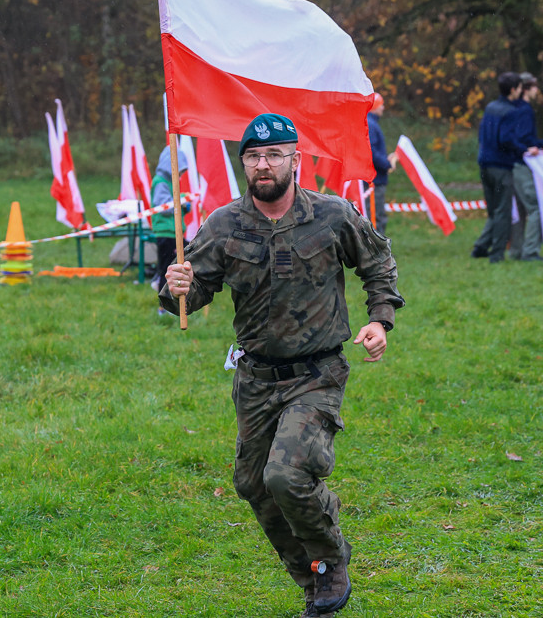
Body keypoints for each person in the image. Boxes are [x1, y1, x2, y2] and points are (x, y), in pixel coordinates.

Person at [159, 113, 404, 618]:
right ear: (244, 163)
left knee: (286, 477)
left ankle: (331, 559)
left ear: (296, 159)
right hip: (255, 377)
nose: (263, 165)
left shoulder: (333, 215)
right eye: (253, 157)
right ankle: (311, 573)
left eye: (274, 155)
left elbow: (377, 262)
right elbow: (193, 292)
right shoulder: (225, 224)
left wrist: (380, 319)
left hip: (317, 374)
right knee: (253, 484)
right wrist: (175, 288)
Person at [471, 72, 532, 263]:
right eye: (520, 88)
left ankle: (480, 247)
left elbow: (483, 135)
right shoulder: (510, 112)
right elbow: (506, 139)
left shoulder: (490, 107)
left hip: (484, 164)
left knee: (494, 210)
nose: (521, 92)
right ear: (514, 90)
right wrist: (524, 150)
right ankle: (496, 254)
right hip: (501, 166)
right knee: (503, 211)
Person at [508, 72, 543, 261]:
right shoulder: (525, 109)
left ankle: (516, 250)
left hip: (511, 164)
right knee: (534, 208)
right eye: (534, 87)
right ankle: (530, 251)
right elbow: (523, 137)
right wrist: (539, 144)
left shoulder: (510, 107)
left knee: (520, 209)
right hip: (522, 164)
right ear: (526, 89)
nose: (537, 91)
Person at [150, 144, 189, 307]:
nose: (180, 176)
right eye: (180, 171)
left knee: (188, 256)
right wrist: (180, 202)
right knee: (167, 270)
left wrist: (184, 202)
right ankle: (162, 306)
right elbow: (163, 207)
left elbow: (174, 205)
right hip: (166, 234)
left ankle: (159, 280)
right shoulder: (160, 182)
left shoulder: (170, 184)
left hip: (174, 233)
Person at [365, 92, 397, 235]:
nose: (383, 108)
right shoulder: (371, 124)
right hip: (374, 181)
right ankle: (378, 253)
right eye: (381, 104)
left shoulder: (370, 123)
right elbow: (371, 152)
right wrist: (387, 164)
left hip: (374, 179)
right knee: (375, 217)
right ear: (375, 106)